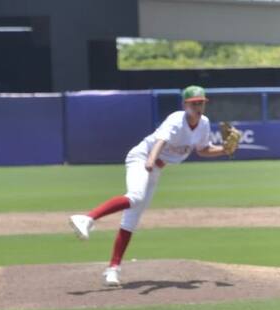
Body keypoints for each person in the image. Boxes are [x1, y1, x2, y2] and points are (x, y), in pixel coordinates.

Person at [68, 85, 232, 286]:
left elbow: (203, 150)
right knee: (135, 196)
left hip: (155, 168)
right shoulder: (176, 119)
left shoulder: (204, 124)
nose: (198, 107)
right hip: (142, 158)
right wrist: (150, 159)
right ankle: (87, 218)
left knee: (132, 219)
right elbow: (160, 142)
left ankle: (112, 270)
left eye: (201, 103)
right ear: (185, 105)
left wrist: (224, 150)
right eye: (194, 103)